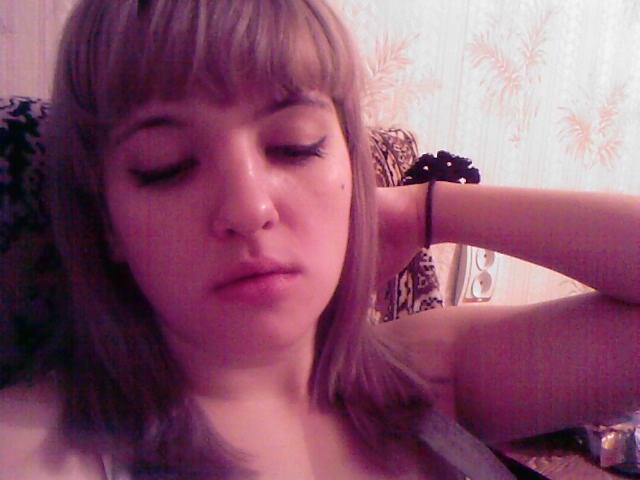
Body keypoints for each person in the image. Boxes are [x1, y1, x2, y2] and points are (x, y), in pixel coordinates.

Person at [0, 0, 638, 479]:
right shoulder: (42, 451)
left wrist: (423, 207)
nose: (249, 208)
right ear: (106, 220)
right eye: (166, 165)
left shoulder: (420, 372)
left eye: (295, 145)